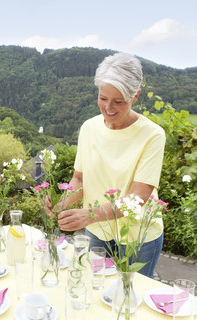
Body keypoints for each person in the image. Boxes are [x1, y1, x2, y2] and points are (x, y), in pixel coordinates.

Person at [51, 52, 166, 278]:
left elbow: (137, 198)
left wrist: (88, 215)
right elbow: (80, 179)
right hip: (98, 231)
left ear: (135, 96)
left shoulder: (152, 135)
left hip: (138, 238)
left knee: (129, 300)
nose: (108, 107)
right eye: (103, 98)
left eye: (118, 101)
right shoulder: (89, 128)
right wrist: (60, 202)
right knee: (93, 291)